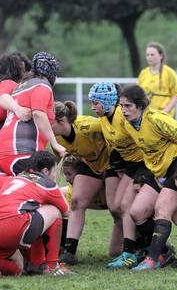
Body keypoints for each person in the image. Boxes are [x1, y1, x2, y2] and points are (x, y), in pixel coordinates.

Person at [118, 84, 177, 271]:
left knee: (162, 210)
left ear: (140, 106)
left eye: (128, 106)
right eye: (121, 106)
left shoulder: (155, 118)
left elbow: (176, 127)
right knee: (137, 212)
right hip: (158, 172)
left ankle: (152, 259)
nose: (123, 110)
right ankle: (164, 250)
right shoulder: (128, 123)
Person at [88, 82, 149, 269]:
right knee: (115, 206)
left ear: (106, 102)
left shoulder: (124, 118)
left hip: (143, 164)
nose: (92, 107)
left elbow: (145, 137)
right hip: (129, 166)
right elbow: (114, 147)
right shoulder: (104, 120)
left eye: (95, 103)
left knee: (124, 205)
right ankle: (137, 246)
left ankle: (134, 250)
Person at [50, 101, 116, 264]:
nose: (45, 126)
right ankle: (69, 252)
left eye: (49, 122)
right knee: (77, 201)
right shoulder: (56, 136)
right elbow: (57, 157)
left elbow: (117, 134)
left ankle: (144, 245)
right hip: (90, 165)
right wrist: (49, 177)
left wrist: (115, 164)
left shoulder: (90, 126)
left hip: (113, 164)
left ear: (63, 121)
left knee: (118, 208)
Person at [0, 51, 65, 175]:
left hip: (4, 152)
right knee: (44, 187)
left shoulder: (21, 87)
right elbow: (38, 113)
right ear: (51, 73)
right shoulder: (42, 85)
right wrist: (55, 144)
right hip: (21, 152)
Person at [60, 154, 123, 259]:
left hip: (118, 214)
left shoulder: (110, 184)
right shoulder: (74, 192)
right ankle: (65, 251)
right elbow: (69, 216)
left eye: (69, 174)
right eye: (65, 174)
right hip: (103, 206)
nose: (67, 179)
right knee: (115, 253)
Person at [137, 42, 177, 117]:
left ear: (161, 56)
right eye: (147, 55)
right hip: (146, 115)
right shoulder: (143, 73)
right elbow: (138, 94)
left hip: (164, 116)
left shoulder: (169, 72)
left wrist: (165, 111)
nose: (149, 57)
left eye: (152, 54)